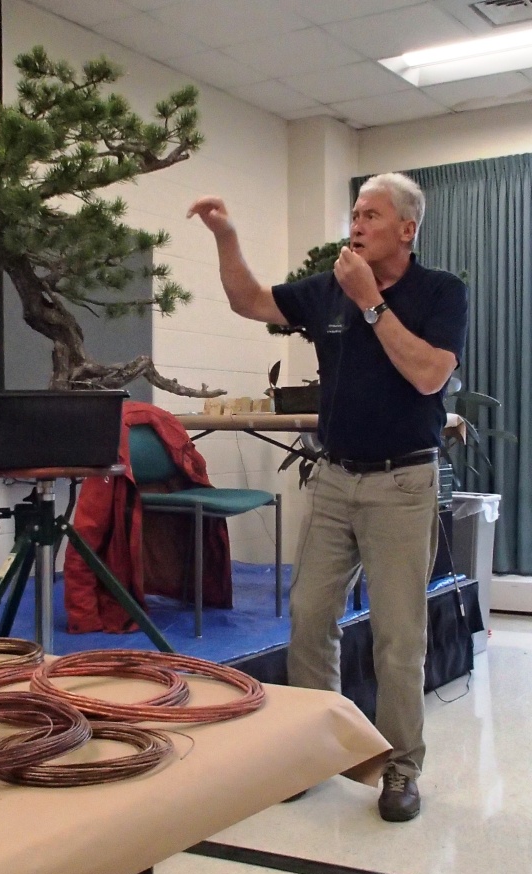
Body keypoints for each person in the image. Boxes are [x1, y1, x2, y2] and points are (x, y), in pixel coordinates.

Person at [188, 173, 468, 822]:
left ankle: (400, 769)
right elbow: (250, 302)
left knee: (399, 637)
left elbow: (430, 376)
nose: (357, 224)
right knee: (310, 617)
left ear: (407, 229)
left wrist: (371, 305)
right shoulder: (329, 288)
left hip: (404, 484)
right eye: (355, 213)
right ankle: (320, 751)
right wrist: (227, 237)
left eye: (371, 215)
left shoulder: (439, 292)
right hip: (337, 478)